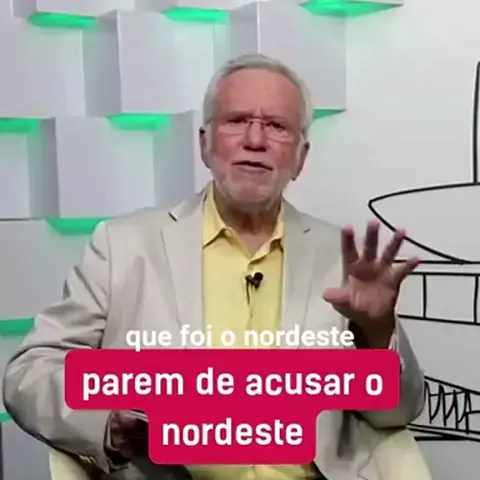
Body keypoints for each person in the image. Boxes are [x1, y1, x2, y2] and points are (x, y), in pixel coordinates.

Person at [2, 53, 425, 480]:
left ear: (301, 157)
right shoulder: (123, 246)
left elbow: (396, 413)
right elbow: (30, 371)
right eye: (237, 120)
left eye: (277, 126)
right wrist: (107, 423)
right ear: (205, 143)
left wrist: (377, 333)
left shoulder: (343, 258)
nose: (255, 140)